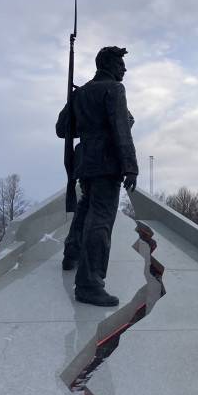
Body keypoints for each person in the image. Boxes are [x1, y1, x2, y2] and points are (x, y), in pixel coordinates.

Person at [56, 46, 138, 306]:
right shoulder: (114, 89)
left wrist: (80, 107)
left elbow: (61, 129)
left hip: (85, 162)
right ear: (108, 64)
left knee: (86, 209)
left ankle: (72, 253)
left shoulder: (81, 93)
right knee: (101, 220)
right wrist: (130, 166)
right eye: (120, 64)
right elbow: (121, 129)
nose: (124, 69)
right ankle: (90, 284)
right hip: (106, 162)